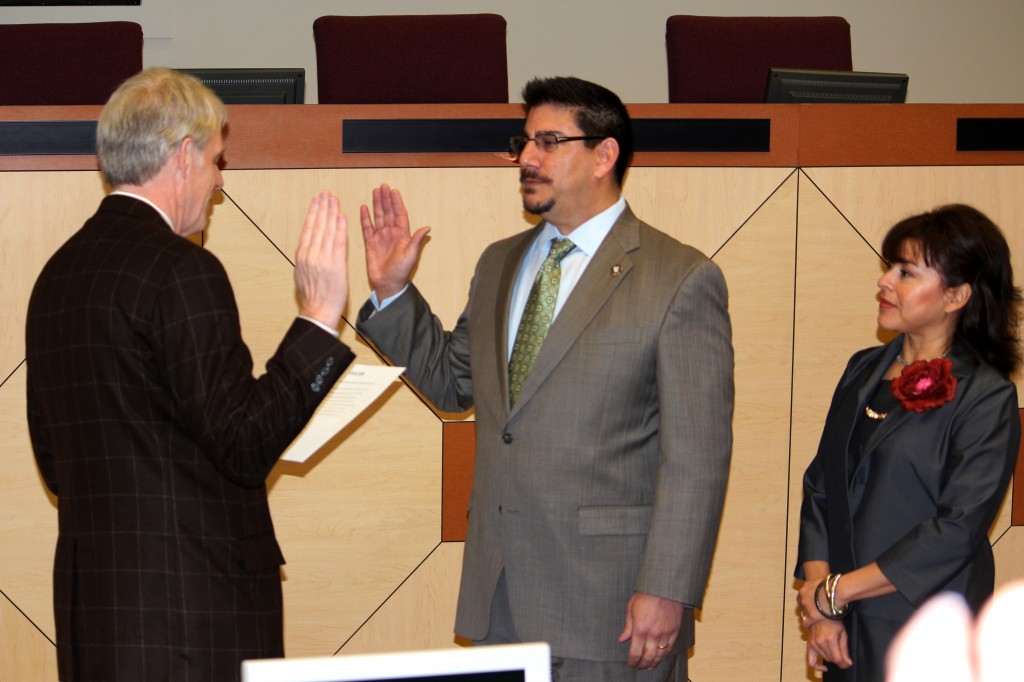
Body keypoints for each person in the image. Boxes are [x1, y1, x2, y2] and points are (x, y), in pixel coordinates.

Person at [357, 76, 734, 681]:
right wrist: (393, 292)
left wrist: (668, 588)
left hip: (610, 607)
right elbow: (454, 384)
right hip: (500, 595)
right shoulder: (501, 261)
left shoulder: (679, 279)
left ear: (604, 155)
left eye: (550, 142)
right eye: (524, 141)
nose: (526, 159)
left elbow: (697, 458)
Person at [25, 68, 354, 682]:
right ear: (182, 157)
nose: (219, 181)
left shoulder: (56, 278)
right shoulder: (183, 269)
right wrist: (316, 320)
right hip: (191, 621)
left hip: (95, 620)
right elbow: (243, 445)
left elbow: (54, 463)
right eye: (215, 160)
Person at [795, 204, 1021, 681]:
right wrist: (821, 606)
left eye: (905, 273)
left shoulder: (986, 396)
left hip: (927, 626)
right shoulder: (863, 369)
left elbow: (956, 528)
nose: (884, 282)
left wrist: (838, 592)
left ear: (956, 295)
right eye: (888, 268)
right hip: (845, 622)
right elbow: (821, 487)